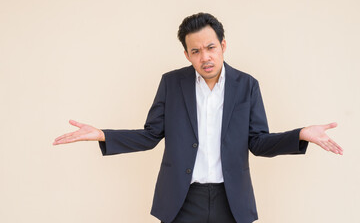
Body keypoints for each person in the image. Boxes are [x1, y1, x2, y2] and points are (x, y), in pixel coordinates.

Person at [53, 13, 343, 223]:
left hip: (232, 201)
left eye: (211, 47)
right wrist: (103, 134)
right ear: (187, 54)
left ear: (223, 45)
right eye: (196, 51)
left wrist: (300, 134)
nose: (205, 56)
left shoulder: (247, 85)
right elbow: (151, 134)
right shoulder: (171, 83)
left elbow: (258, 142)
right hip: (182, 200)